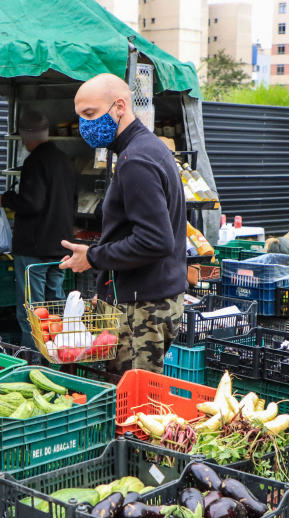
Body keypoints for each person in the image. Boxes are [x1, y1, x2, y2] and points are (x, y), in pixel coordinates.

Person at [60, 73, 187, 374]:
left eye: (90, 114)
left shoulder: (136, 160)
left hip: (142, 308)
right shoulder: (146, 149)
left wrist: (92, 257)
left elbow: (155, 241)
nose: (84, 125)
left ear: (119, 106)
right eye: (80, 117)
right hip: (143, 300)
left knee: (132, 403)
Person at [0, 109, 77, 347]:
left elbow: (32, 202)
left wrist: (7, 199)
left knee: (33, 308)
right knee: (56, 305)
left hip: (34, 247)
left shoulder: (34, 162)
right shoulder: (65, 160)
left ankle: (33, 360)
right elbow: (73, 201)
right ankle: (60, 353)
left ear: (26, 137)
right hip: (60, 244)